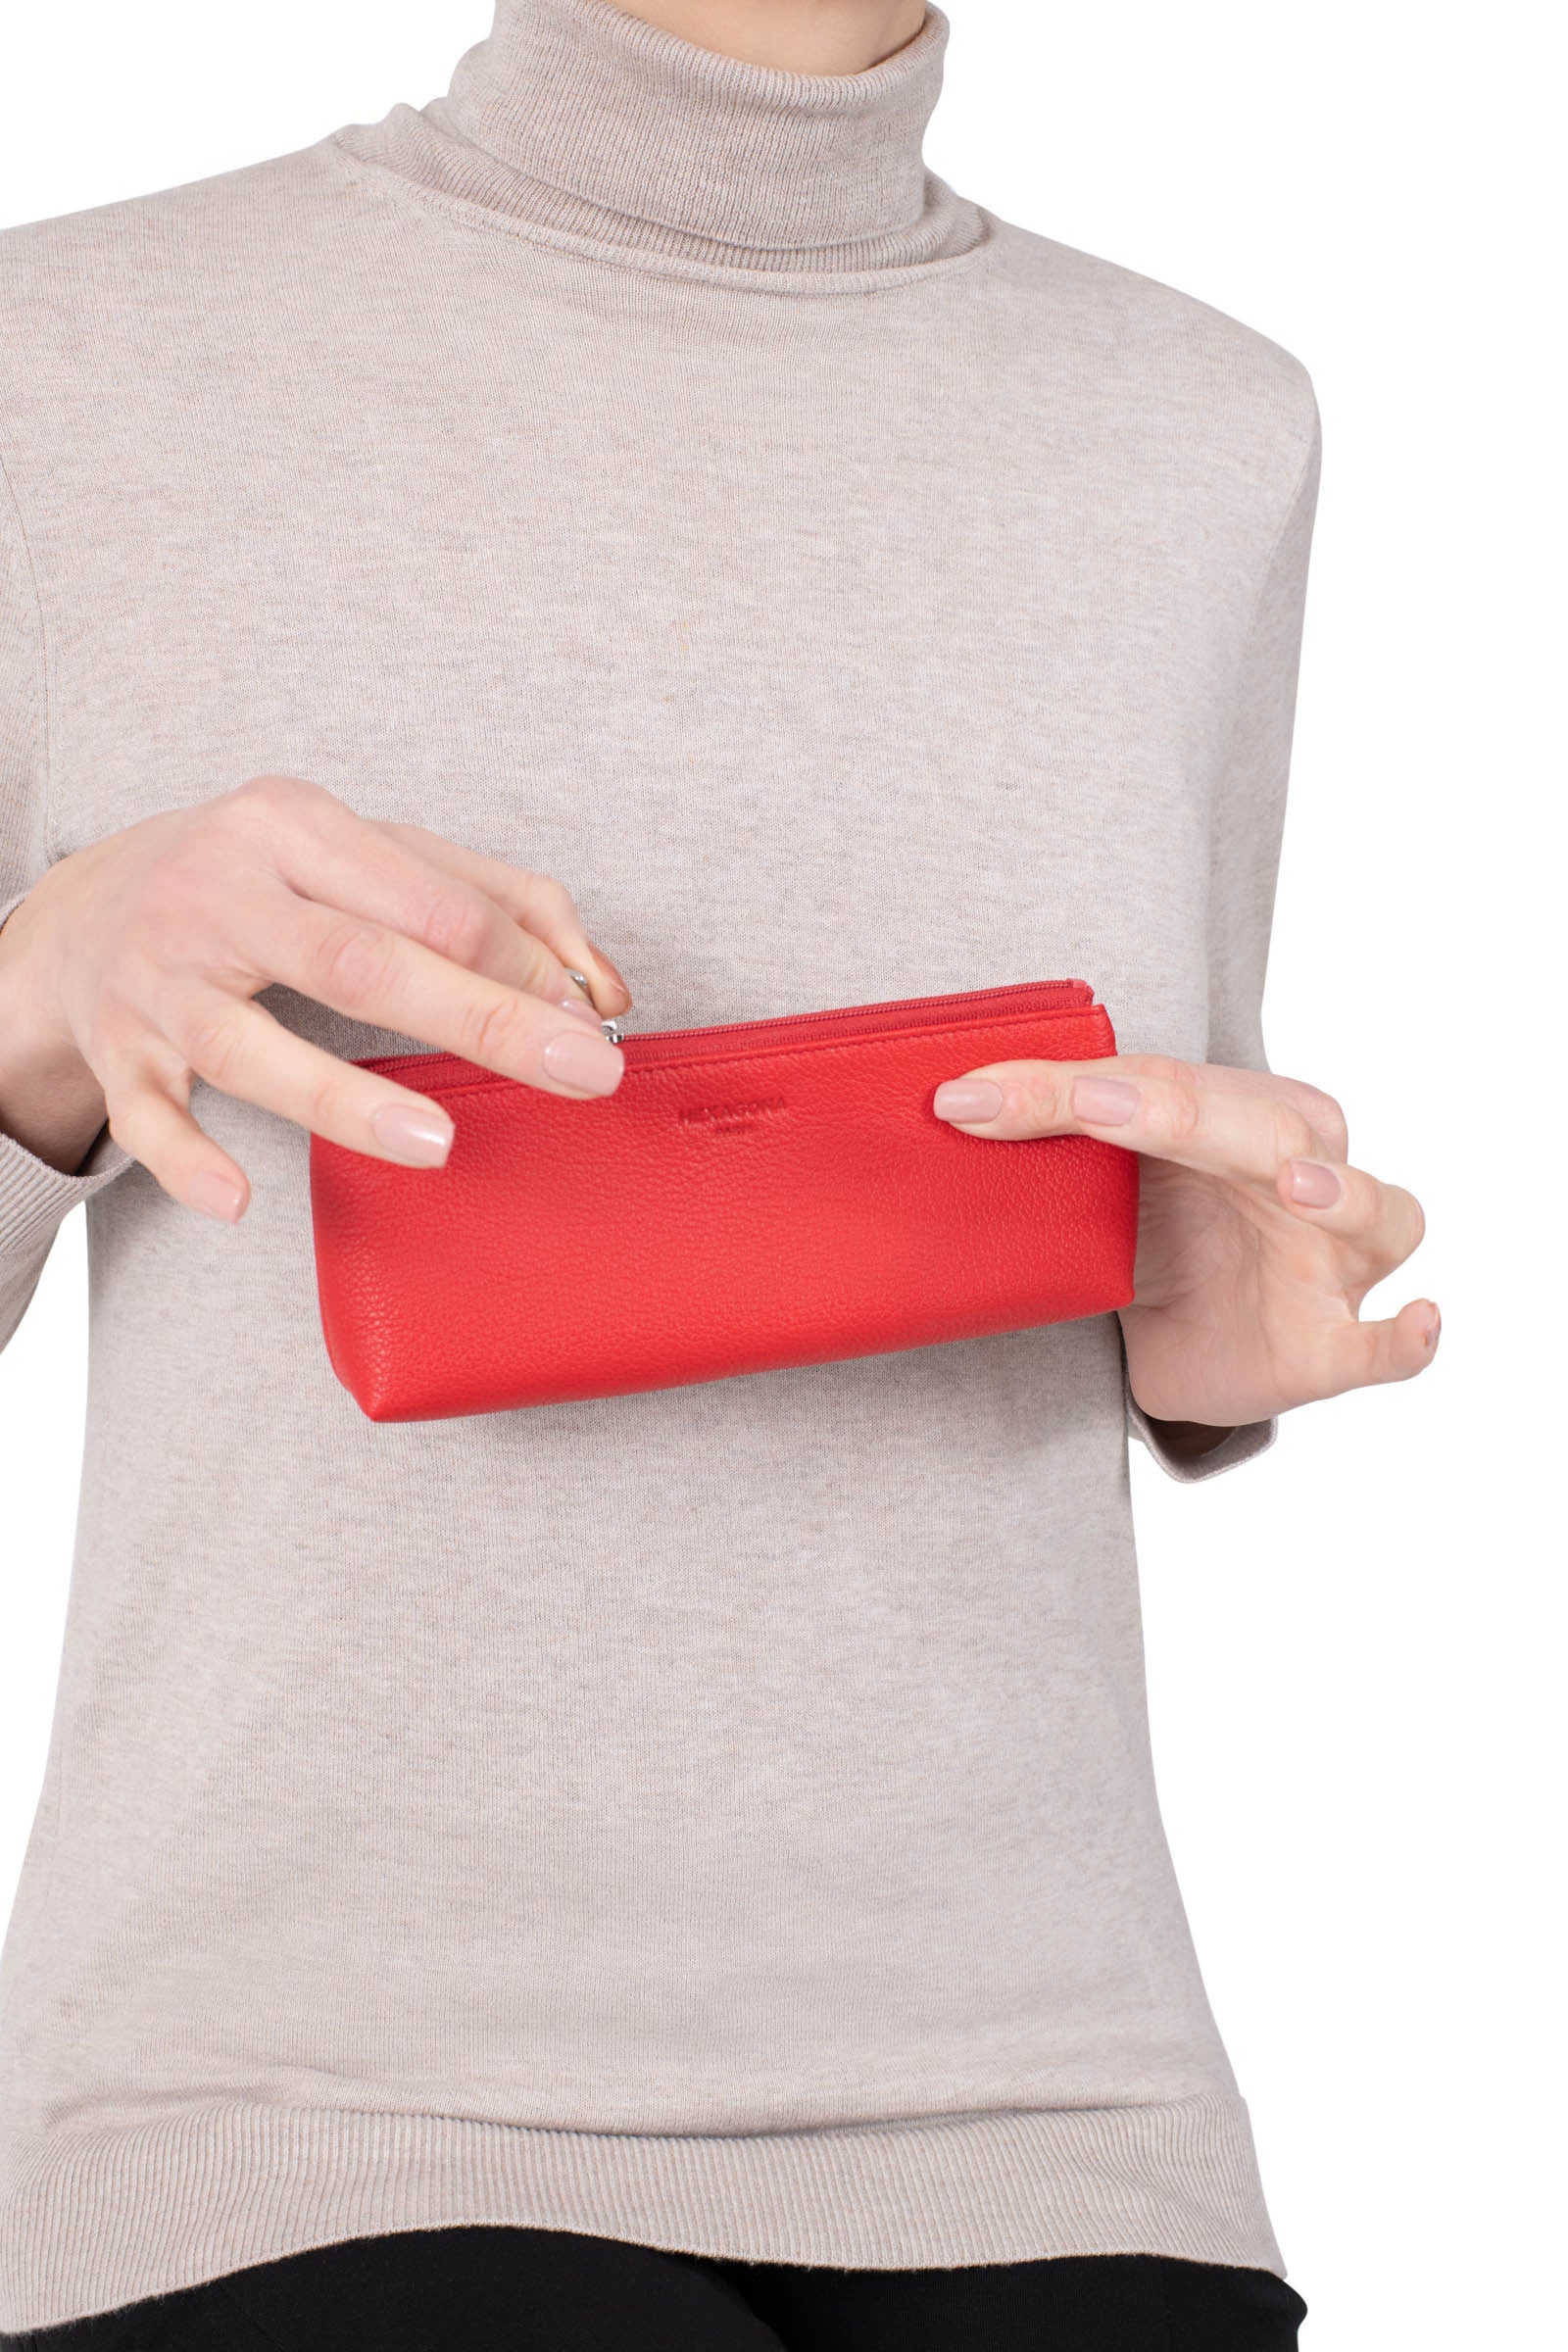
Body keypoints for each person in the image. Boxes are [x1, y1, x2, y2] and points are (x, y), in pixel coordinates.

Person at [0, 0, 1434, 2343]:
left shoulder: (1200, 425)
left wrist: (1204, 1317)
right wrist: (45, 989)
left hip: (1049, 2080)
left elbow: (1154, 1156)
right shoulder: (58, 362)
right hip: (295, 2093)